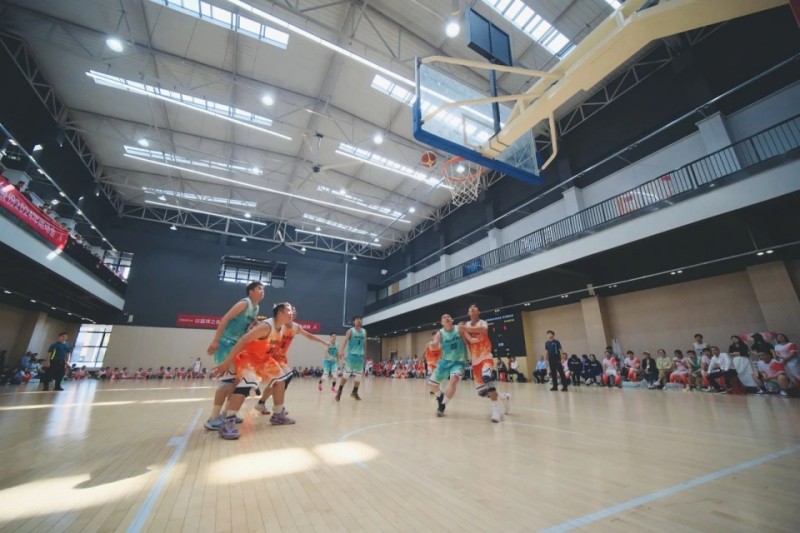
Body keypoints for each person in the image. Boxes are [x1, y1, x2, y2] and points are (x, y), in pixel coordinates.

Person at [212, 302, 295, 438]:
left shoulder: (282, 327)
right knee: (248, 382)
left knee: (281, 380)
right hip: (248, 357)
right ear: (280, 313)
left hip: (264, 359)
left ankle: (278, 414)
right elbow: (243, 340)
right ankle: (228, 422)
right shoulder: (266, 326)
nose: (292, 313)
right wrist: (226, 363)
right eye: (289, 311)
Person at [204, 281, 264, 431]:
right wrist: (215, 340)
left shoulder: (256, 308)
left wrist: (257, 324)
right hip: (226, 343)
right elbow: (225, 318)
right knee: (227, 381)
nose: (262, 291)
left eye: (263, 289)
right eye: (259, 288)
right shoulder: (244, 303)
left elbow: (250, 323)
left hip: (237, 345)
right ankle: (213, 418)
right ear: (251, 291)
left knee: (237, 381)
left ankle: (227, 413)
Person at [255, 305, 329, 413]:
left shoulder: (296, 327)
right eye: (290, 312)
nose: (292, 314)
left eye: (294, 313)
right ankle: (278, 407)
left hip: (281, 357)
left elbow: (309, 335)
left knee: (278, 382)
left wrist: (323, 342)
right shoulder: (279, 324)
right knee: (285, 377)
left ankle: (262, 403)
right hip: (272, 355)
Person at [460, 304, 510, 422]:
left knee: (487, 377)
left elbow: (483, 330)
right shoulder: (466, 325)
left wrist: (466, 329)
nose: (472, 308)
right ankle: (503, 396)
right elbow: (467, 342)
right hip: (475, 361)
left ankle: (495, 410)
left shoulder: (483, 322)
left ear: (479, 312)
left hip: (486, 356)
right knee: (482, 392)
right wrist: (461, 331)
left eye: (475, 307)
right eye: (470, 308)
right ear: (468, 313)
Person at [428, 313, 467, 417]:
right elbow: (435, 343)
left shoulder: (459, 328)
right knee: (432, 385)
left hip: (458, 361)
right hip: (445, 362)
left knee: (453, 380)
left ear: (452, 320)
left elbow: (467, 341)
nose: (447, 318)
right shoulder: (440, 333)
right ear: (442, 323)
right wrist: (433, 345)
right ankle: (440, 396)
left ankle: (442, 405)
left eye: (448, 316)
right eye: (444, 317)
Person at [336, 315, 367, 401]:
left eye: (360, 319)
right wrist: (341, 351)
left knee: (359, 376)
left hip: (360, 356)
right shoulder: (350, 331)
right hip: (351, 356)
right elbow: (345, 340)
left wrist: (365, 355)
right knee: (346, 375)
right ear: (354, 322)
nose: (359, 321)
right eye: (357, 319)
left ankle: (354, 393)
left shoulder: (364, 331)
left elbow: (365, 343)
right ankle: (339, 392)